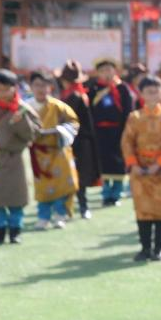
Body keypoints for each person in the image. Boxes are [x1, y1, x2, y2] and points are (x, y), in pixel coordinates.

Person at [121, 76, 161, 262]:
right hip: (139, 169)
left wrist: (159, 163)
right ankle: (145, 248)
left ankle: (159, 247)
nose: (153, 96)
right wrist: (133, 164)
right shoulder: (134, 117)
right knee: (143, 209)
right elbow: (127, 143)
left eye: (156, 92)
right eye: (149, 92)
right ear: (141, 94)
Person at [0, 69, 41, 245]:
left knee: (16, 200)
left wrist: (20, 122)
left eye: (6, 89)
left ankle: (15, 230)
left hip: (15, 159)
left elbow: (34, 134)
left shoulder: (23, 109)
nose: (2, 93)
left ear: (14, 88)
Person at [27, 70, 80, 230]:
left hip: (58, 150)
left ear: (50, 87)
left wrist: (59, 131)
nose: (41, 89)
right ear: (31, 87)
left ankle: (60, 215)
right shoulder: (26, 107)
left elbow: (74, 123)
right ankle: (43, 217)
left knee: (61, 185)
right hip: (38, 153)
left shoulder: (58, 106)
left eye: (44, 85)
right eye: (37, 85)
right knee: (42, 187)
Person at [87, 57, 135, 207]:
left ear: (115, 71)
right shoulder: (93, 89)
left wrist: (127, 129)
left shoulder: (122, 88)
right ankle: (106, 193)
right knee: (103, 162)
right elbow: (89, 111)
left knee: (118, 162)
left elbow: (128, 110)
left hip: (119, 130)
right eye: (102, 70)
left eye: (109, 69)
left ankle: (116, 193)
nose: (106, 73)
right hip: (100, 132)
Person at [57, 61, 100, 221]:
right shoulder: (73, 95)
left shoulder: (74, 97)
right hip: (78, 139)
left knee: (77, 176)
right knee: (74, 175)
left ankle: (80, 207)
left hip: (77, 141)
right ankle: (77, 207)